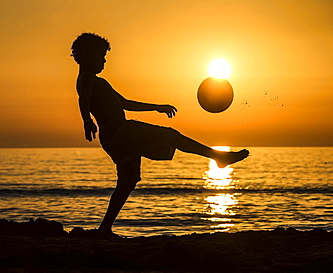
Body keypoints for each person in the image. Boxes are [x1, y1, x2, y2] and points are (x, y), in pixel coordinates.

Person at [71, 32, 249, 237]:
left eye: (104, 56)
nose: (103, 61)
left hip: (113, 138)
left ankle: (104, 229)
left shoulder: (98, 81)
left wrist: (156, 107)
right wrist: (86, 120)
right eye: (99, 56)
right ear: (84, 54)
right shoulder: (86, 79)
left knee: (128, 181)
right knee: (171, 136)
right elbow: (83, 100)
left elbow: (126, 103)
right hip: (122, 132)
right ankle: (219, 157)